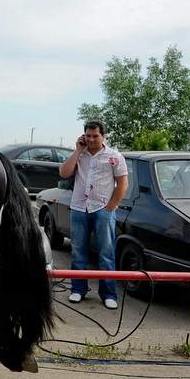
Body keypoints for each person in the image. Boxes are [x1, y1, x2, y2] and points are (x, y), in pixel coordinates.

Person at [59, 120, 128, 309]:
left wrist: (111, 206)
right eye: (88, 136)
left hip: (102, 209)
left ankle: (108, 293)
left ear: (103, 136)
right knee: (78, 251)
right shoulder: (79, 155)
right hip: (80, 208)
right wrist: (77, 150)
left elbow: (122, 183)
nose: (91, 139)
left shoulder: (114, 156)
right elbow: (64, 173)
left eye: (95, 136)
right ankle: (78, 289)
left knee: (106, 253)